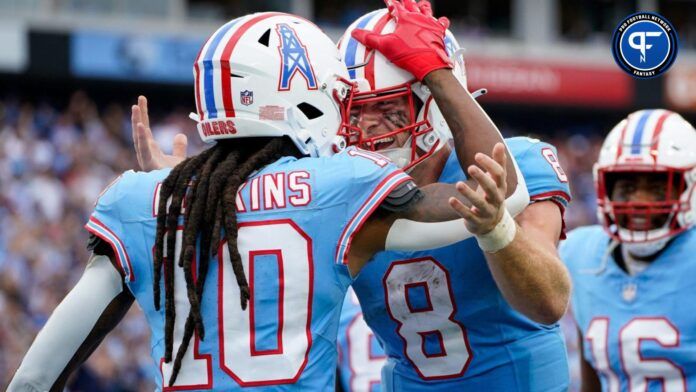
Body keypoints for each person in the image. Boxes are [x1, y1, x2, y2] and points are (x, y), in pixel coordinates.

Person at [9, 6, 528, 391]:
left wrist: (175, 186)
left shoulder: (142, 201)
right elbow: (498, 193)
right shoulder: (342, 187)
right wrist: (438, 73)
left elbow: (34, 379)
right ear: (301, 94)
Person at [137, 3, 573, 390]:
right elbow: (256, 224)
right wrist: (187, 191)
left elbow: (549, 302)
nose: (369, 128)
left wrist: (497, 229)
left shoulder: (518, 161)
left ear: (436, 100)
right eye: (356, 111)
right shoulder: (343, 187)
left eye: (389, 107)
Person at [561, 109, 696, 392]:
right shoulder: (581, 253)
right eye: (628, 186)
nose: (639, 201)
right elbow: (593, 375)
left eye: (658, 188)